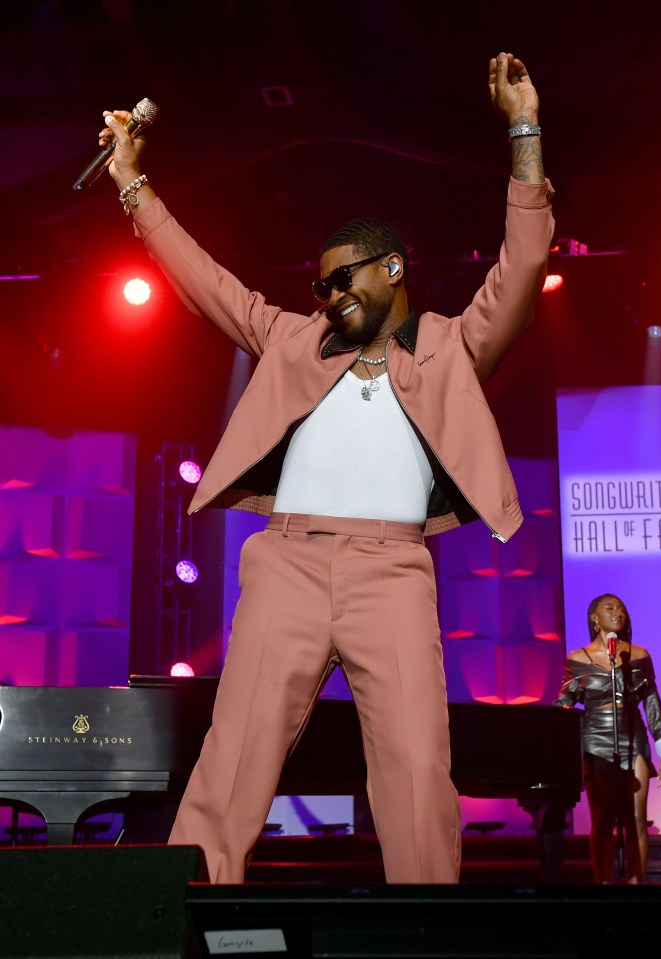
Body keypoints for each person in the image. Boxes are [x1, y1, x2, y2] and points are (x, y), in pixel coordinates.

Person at [99, 52, 554, 884]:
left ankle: (426, 927)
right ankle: (184, 913)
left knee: (417, 769)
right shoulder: (292, 340)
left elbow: (522, 267)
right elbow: (207, 284)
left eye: (344, 277)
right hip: (287, 563)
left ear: (393, 271)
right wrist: (136, 186)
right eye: (319, 282)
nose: (328, 292)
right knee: (232, 759)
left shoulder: (450, 344)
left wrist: (523, 130)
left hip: (393, 568)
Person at [554, 594, 661, 883]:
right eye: (610, 608)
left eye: (622, 609)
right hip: (594, 738)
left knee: (636, 819)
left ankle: (636, 887)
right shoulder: (578, 658)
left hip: (633, 734)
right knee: (603, 819)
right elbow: (564, 702)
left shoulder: (639, 655)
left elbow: (652, 704)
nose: (618, 613)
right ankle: (603, 889)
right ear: (595, 617)